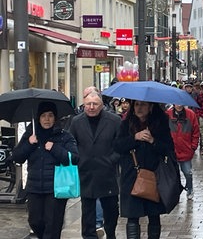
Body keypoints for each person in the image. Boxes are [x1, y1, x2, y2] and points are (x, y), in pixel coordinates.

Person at [11, 101, 79, 239]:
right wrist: (29, 144)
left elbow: (73, 158)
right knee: (34, 221)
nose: (47, 119)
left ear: (55, 118)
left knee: (53, 224)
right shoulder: (31, 135)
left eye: (50, 115)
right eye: (43, 116)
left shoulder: (64, 136)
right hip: (34, 187)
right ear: (38, 118)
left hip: (56, 189)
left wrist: (54, 148)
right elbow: (17, 157)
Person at [113, 100, 175, 238]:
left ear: (150, 107)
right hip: (131, 176)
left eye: (143, 105)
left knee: (154, 215)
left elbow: (168, 149)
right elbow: (117, 146)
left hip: (153, 176)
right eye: (136, 105)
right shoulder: (126, 124)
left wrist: (153, 141)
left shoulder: (160, 123)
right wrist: (135, 138)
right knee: (132, 215)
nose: (139, 108)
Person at [69, 89, 121, 239]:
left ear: (101, 105)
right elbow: (72, 143)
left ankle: (110, 233)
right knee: (88, 213)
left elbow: (120, 146)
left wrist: (111, 160)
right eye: (88, 104)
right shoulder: (76, 121)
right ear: (84, 105)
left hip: (107, 173)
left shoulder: (114, 120)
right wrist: (78, 159)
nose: (91, 107)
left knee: (111, 210)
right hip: (86, 172)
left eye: (95, 104)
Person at [166, 104, 200, 200]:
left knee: (187, 173)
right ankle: (175, 192)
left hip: (186, 149)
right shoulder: (167, 114)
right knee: (173, 174)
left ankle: (190, 188)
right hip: (172, 150)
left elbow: (196, 131)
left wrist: (193, 146)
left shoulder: (190, 114)